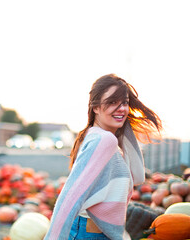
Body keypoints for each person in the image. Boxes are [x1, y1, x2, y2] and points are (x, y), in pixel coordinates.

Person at [44, 74, 162, 240]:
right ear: (96, 107)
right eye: (112, 102)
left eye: (125, 103)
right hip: (89, 234)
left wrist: (120, 121)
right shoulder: (104, 140)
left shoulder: (99, 136)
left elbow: (137, 175)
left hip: (92, 232)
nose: (121, 108)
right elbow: (71, 194)